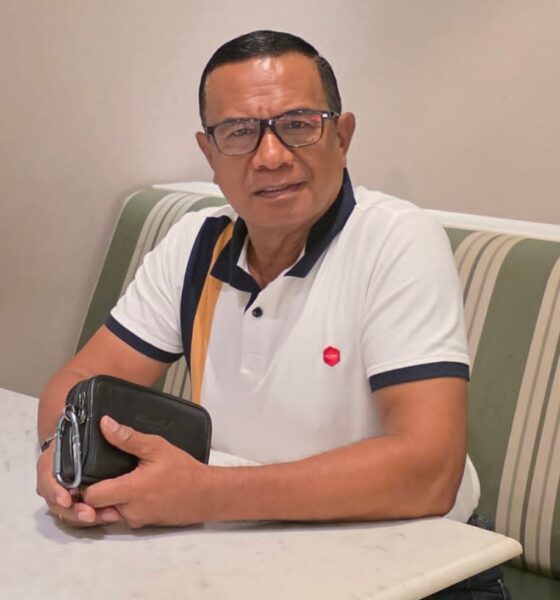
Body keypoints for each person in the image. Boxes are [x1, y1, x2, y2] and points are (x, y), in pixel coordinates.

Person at [36, 30, 508, 598]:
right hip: (251, 554)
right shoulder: (195, 245)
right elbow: (78, 380)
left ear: (342, 136)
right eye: (239, 132)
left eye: (299, 124)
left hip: (423, 571)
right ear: (210, 155)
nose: (271, 156)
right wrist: (62, 459)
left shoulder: (396, 241)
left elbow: (428, 473)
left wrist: (204, 494)